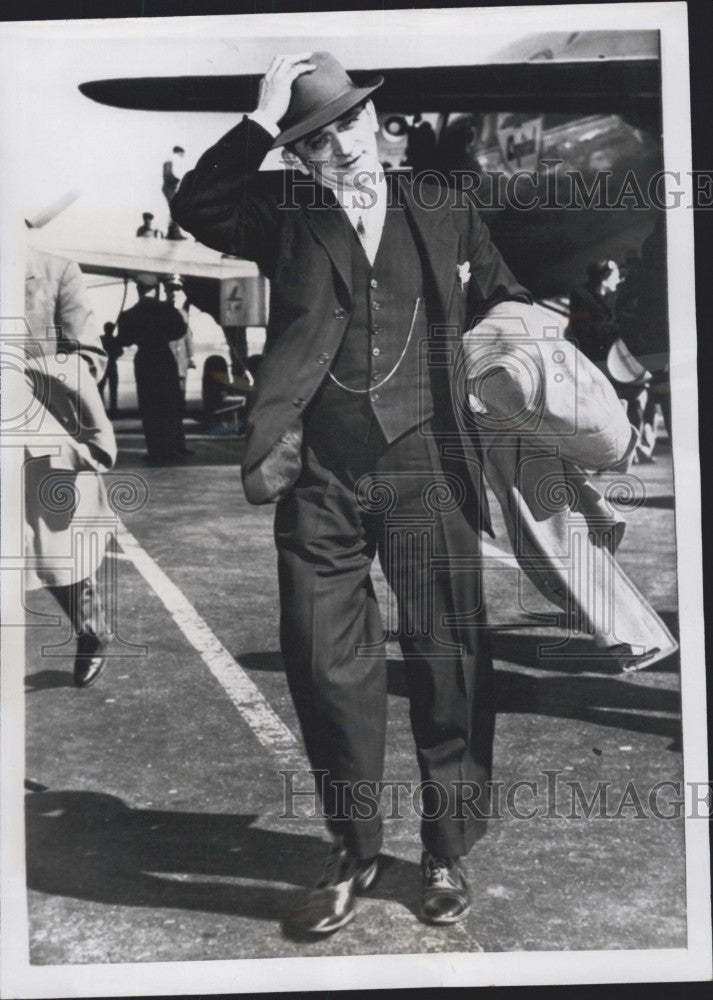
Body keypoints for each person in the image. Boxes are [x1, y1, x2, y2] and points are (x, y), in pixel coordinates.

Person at [171, 51, 531, 934]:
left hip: (426, 469)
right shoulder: (280, 211)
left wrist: (516, 362)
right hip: (319, 474)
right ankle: (353, 848)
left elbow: (507, 300)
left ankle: (445, 851)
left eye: (349, 125)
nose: (341, 148)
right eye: (316, 139)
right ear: (297, 157)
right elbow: (198, 205)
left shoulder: (442, 205)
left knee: (447, 663)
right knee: (324, 664)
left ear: (379, 121)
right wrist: (259, 118)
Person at [23, 246, 117, 687]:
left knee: (55, 551)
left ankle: (91, 630)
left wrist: (23, 376)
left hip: (34, 431)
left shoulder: (54, 271)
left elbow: (89, 358)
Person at [116, 276, 189, 465]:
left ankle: (154, 450)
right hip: (164, 358)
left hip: (144, 361)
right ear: (155, 289)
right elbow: (180, 330)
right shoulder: (166, 309)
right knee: (169, 404)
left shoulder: (129, 314)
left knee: (149, 406)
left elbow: (123, 340)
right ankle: (171, 449)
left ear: (138, 290)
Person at [162, 146, 187, 240]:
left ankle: (172, 233)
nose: (182, 157)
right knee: (175, 209)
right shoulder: (171, 159)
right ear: (178, 152)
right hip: (169, 188)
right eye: (182, 154)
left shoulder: (170, 160)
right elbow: (168, 175)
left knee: (174, 209)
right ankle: (174, 233)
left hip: (170, 188)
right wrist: (176, 180)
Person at [97, 321, 121, 415]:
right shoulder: (114, 340)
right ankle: (113, 409)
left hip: (103, 366)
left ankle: (101, 410)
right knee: (113, 389)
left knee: (100, 389)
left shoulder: (100, 340)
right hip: (111, 366)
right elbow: (120, 352)